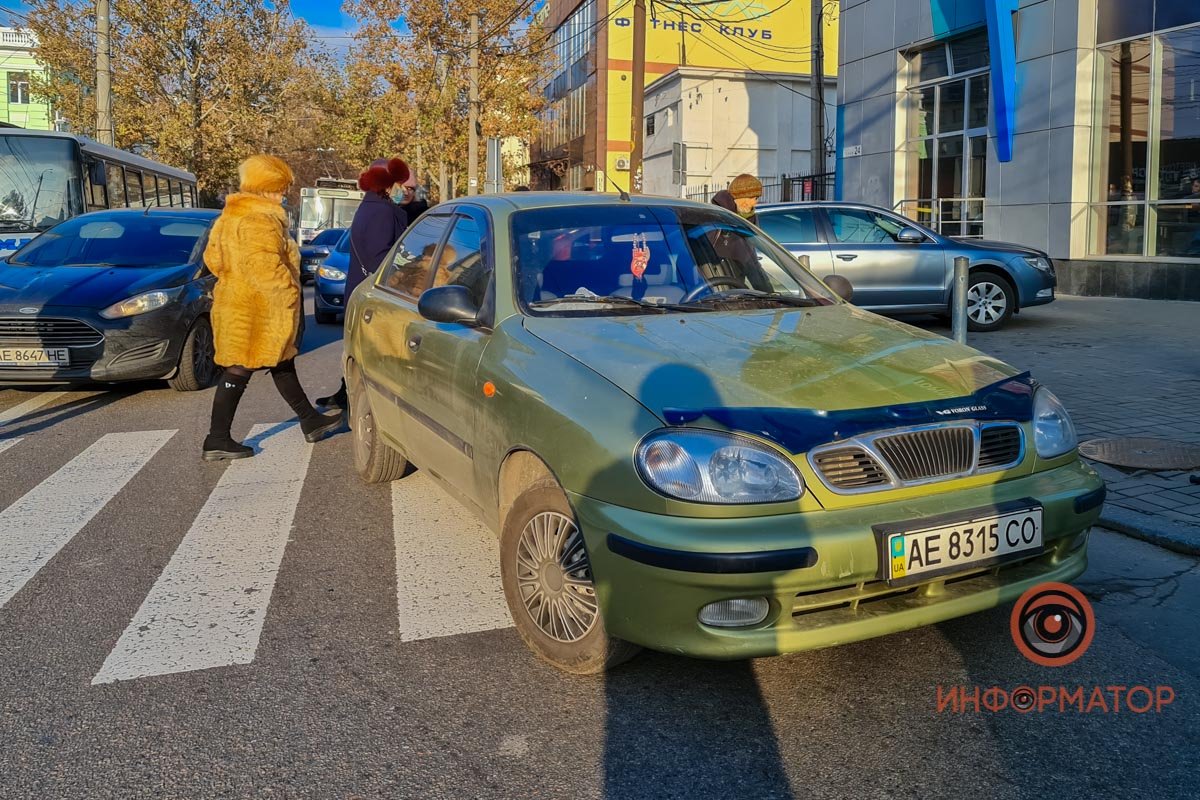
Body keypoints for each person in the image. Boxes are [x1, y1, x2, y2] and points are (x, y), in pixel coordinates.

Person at [201, 154, 342, 461]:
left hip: (237, 302)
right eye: (279, 188)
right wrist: (290, 291)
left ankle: (310, 420)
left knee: (281, 361)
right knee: (239, 368)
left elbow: (212, 260)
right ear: (264, 188)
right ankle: (217, 438)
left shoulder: (230, 216)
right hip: (257, 308)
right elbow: (263, 267)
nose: (283, 194)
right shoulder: (259, 219)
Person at [317, 156, 411, 410]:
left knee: (359, 351)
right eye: (401, 184)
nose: (404, 190)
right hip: (376, 297)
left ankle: (345, 395)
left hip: (361, 291)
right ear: (388, 184)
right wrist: (407, 273)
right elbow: (379, 258)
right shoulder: (381, 211)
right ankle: (356, 401)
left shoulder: (371, 207)